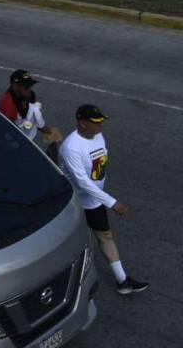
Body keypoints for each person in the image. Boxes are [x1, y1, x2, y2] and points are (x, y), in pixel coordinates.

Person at [59, 104, 148, 295]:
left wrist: (102, 197)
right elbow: (82, 182)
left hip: (93, 201)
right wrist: (111, 202)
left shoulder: (98, 136)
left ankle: (122, 281)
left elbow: (98, 167)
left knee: (105, 236)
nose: (101, 125)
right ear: (83, 123)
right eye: (96, 122)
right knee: (67, 242)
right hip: (73, 204)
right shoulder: (71, 147)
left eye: (101, 121)